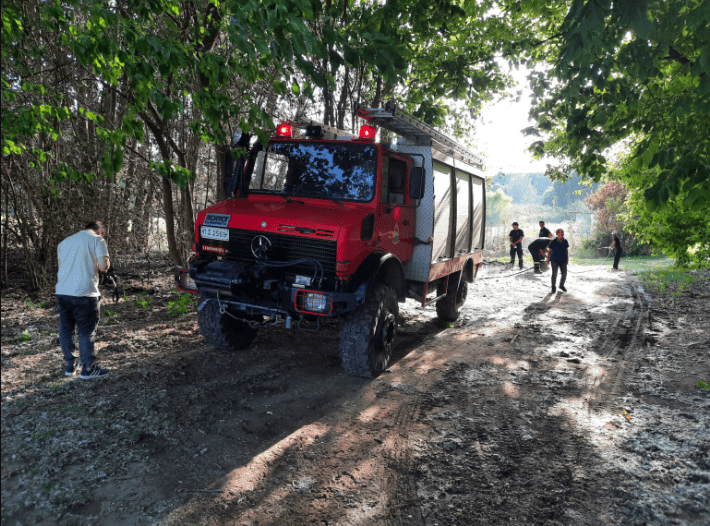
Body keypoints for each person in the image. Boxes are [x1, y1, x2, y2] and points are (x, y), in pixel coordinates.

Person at [56, 221, 111, 379]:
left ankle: (70, 365)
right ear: (99, 231)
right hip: (85, 292)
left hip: (63, 291)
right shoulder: (97, 240)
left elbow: (62, 268)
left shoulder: (64, 242)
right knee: (87, 331)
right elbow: (103, 267)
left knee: (66, 329)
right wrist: (106, 261)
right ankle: (88, 368)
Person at [546, 228, 569, 293]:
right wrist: (547, 259)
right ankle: (553, 287)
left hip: (563, 260)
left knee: (564, 274)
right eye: (558, 233)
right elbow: (550, 251)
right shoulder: (553, 241)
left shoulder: (565, 241)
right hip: (554, 260)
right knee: (554, 274)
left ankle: (561, 285)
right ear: (556, 234)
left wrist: (567, 260)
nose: (560, 234)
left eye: (561, 233)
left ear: (563, 234)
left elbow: (566, 251)